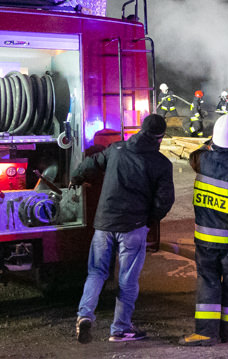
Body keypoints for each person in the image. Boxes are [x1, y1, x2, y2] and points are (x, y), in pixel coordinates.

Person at [71, 114, 175, 344]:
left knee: (96, 272)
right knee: (127, 279)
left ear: (140, 129)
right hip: (133, 227)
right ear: (160, 137)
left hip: (104, 224)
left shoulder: (116, 149)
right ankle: (120, 328)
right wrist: (150, 220)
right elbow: (165, 200)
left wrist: (75, 177)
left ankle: (84, 316)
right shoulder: (160, 163)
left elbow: (91, 164)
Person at [180, 113, 228, 346]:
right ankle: (227, 334)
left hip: (204, 239)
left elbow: (197, 151)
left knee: (208, 284)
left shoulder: (202, 159)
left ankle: (205, 332)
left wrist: (211, 141)